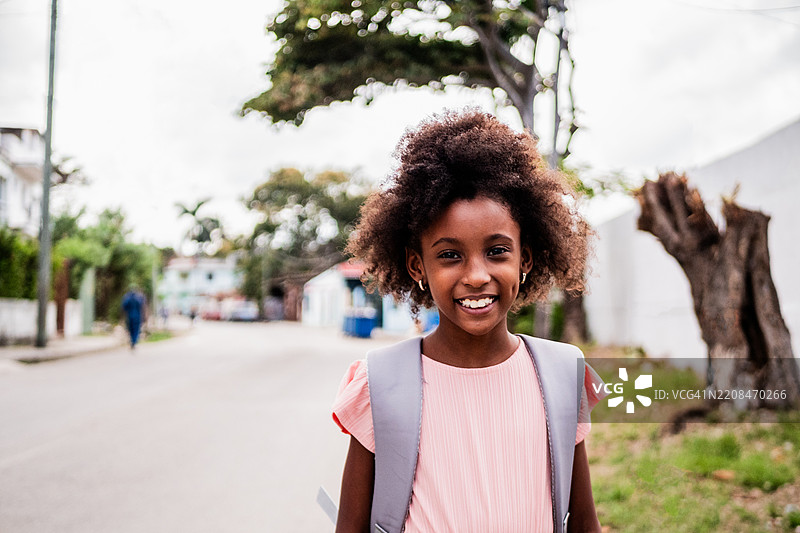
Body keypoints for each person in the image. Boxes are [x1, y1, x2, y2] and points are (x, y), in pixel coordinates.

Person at [332, 109, 606, 532]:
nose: (477, 276)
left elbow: (584, 523)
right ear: (417, 265)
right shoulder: (380, 384)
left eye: (497, 251)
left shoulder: (561, 376)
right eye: (449, 255)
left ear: (525, 258)